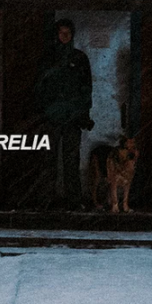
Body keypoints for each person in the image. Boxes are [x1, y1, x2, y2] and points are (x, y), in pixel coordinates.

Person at [34, 18, 93, 210]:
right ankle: (47, 199)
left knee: (70, 161)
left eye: (68, 33)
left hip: (71, 117)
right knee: (49, 160)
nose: (65, 36)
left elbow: (86, 88)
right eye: (61, 32)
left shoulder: (79, 59)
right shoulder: (49, 59)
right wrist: (44, 110)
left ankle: (72, 200)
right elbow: (40, 87)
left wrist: (83, 113)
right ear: (56, 34)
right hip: (53, 117)